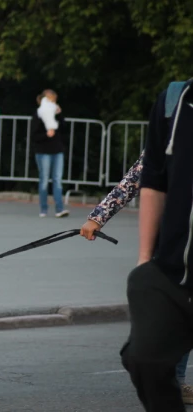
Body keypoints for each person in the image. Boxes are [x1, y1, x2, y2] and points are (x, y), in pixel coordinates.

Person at [79, 151, 193, 405]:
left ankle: (167, 374)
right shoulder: (172, 129)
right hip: (176, 241)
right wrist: (98, 218)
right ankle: (170, 376)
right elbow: (135, 177)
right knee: (177, 308)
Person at [117, 79, 193, 411]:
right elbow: (147, 180)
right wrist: (145, 260)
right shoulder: (174, 102)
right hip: (173, 269)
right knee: (143, 359)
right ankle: (174, 380)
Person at [31, 89, 69, 218]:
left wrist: (59, 115)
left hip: (57, 150)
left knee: (57, 180)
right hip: (43, 151)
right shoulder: (38, 114)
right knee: (44, 180)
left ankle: (59, 209)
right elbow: (34, 135)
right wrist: (46, 135)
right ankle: (43, 209)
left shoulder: (56, 113)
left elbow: (64, 129)